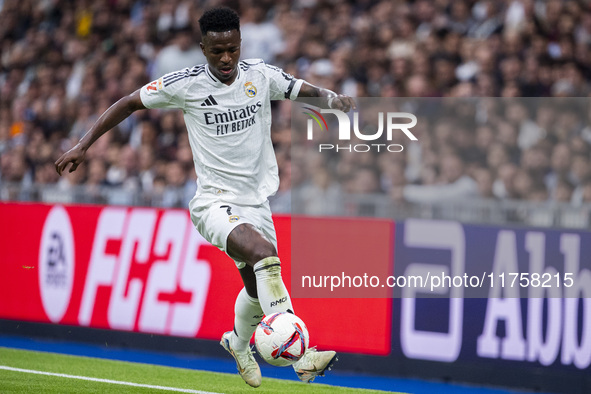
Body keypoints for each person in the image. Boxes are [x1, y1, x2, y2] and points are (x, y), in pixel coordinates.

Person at [55, 7, 355, 388]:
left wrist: (331, 97)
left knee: (255, 290)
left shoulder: (260, 76)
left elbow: (299, 89)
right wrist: (83, 145)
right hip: (213, 202)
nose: (226, 58)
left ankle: (238, 343)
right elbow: (129, 102)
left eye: (232, 49)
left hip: (256, 202)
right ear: (203, 49)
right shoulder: (185, 84)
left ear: (240, 44)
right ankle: (303, 357)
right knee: (265, 256)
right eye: (217, 52)